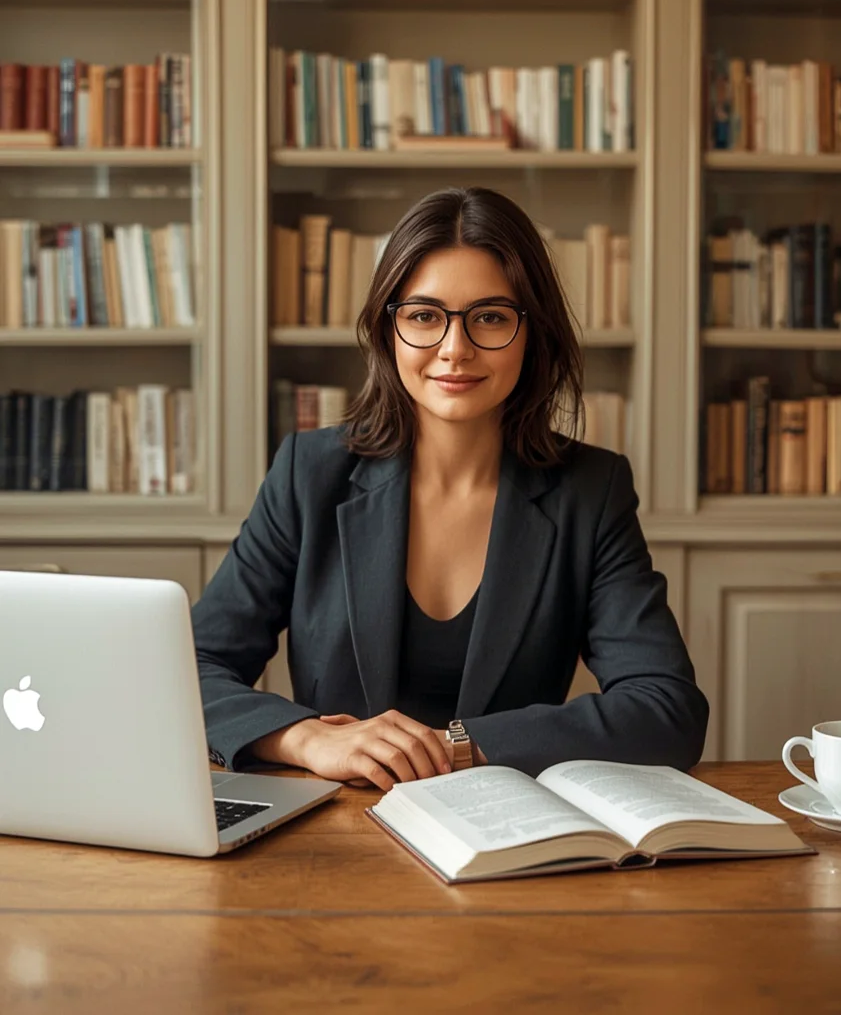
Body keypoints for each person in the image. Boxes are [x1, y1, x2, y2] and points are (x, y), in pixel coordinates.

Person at [192, 186, 708, 791]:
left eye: (490, 317)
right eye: (423, 316)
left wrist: (457, 746)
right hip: (337, 831)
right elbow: (192, 669)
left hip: (508, 833)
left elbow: (666, 706)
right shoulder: (309, 474)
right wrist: (308, 738)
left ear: (531, 333)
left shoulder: (589, 492)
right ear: (389, 330)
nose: (454, 349)